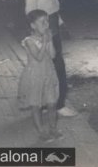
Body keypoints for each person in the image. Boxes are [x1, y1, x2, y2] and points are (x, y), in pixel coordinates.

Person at [25, 0, 77, 117]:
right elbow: (31, 8)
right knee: (56, 65)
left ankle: (49, 104)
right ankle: (59, 105)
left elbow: (51, 4)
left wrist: (60, 22)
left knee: (54, 64)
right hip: (44, 26)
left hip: (52, 22)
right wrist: (39, 33)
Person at [18, 9, 61, 142]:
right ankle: (42, 131)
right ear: (33, 26)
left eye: (47, 21)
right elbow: (39, 57)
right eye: (42, 22)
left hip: (48, 73)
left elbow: (53, 55)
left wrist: (50, 41)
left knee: (52, 103)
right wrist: (44, 42)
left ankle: (53, 128)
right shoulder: (29, 41)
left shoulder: (45, 38)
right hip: (35, 76)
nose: (46, 24)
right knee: (35, 105)